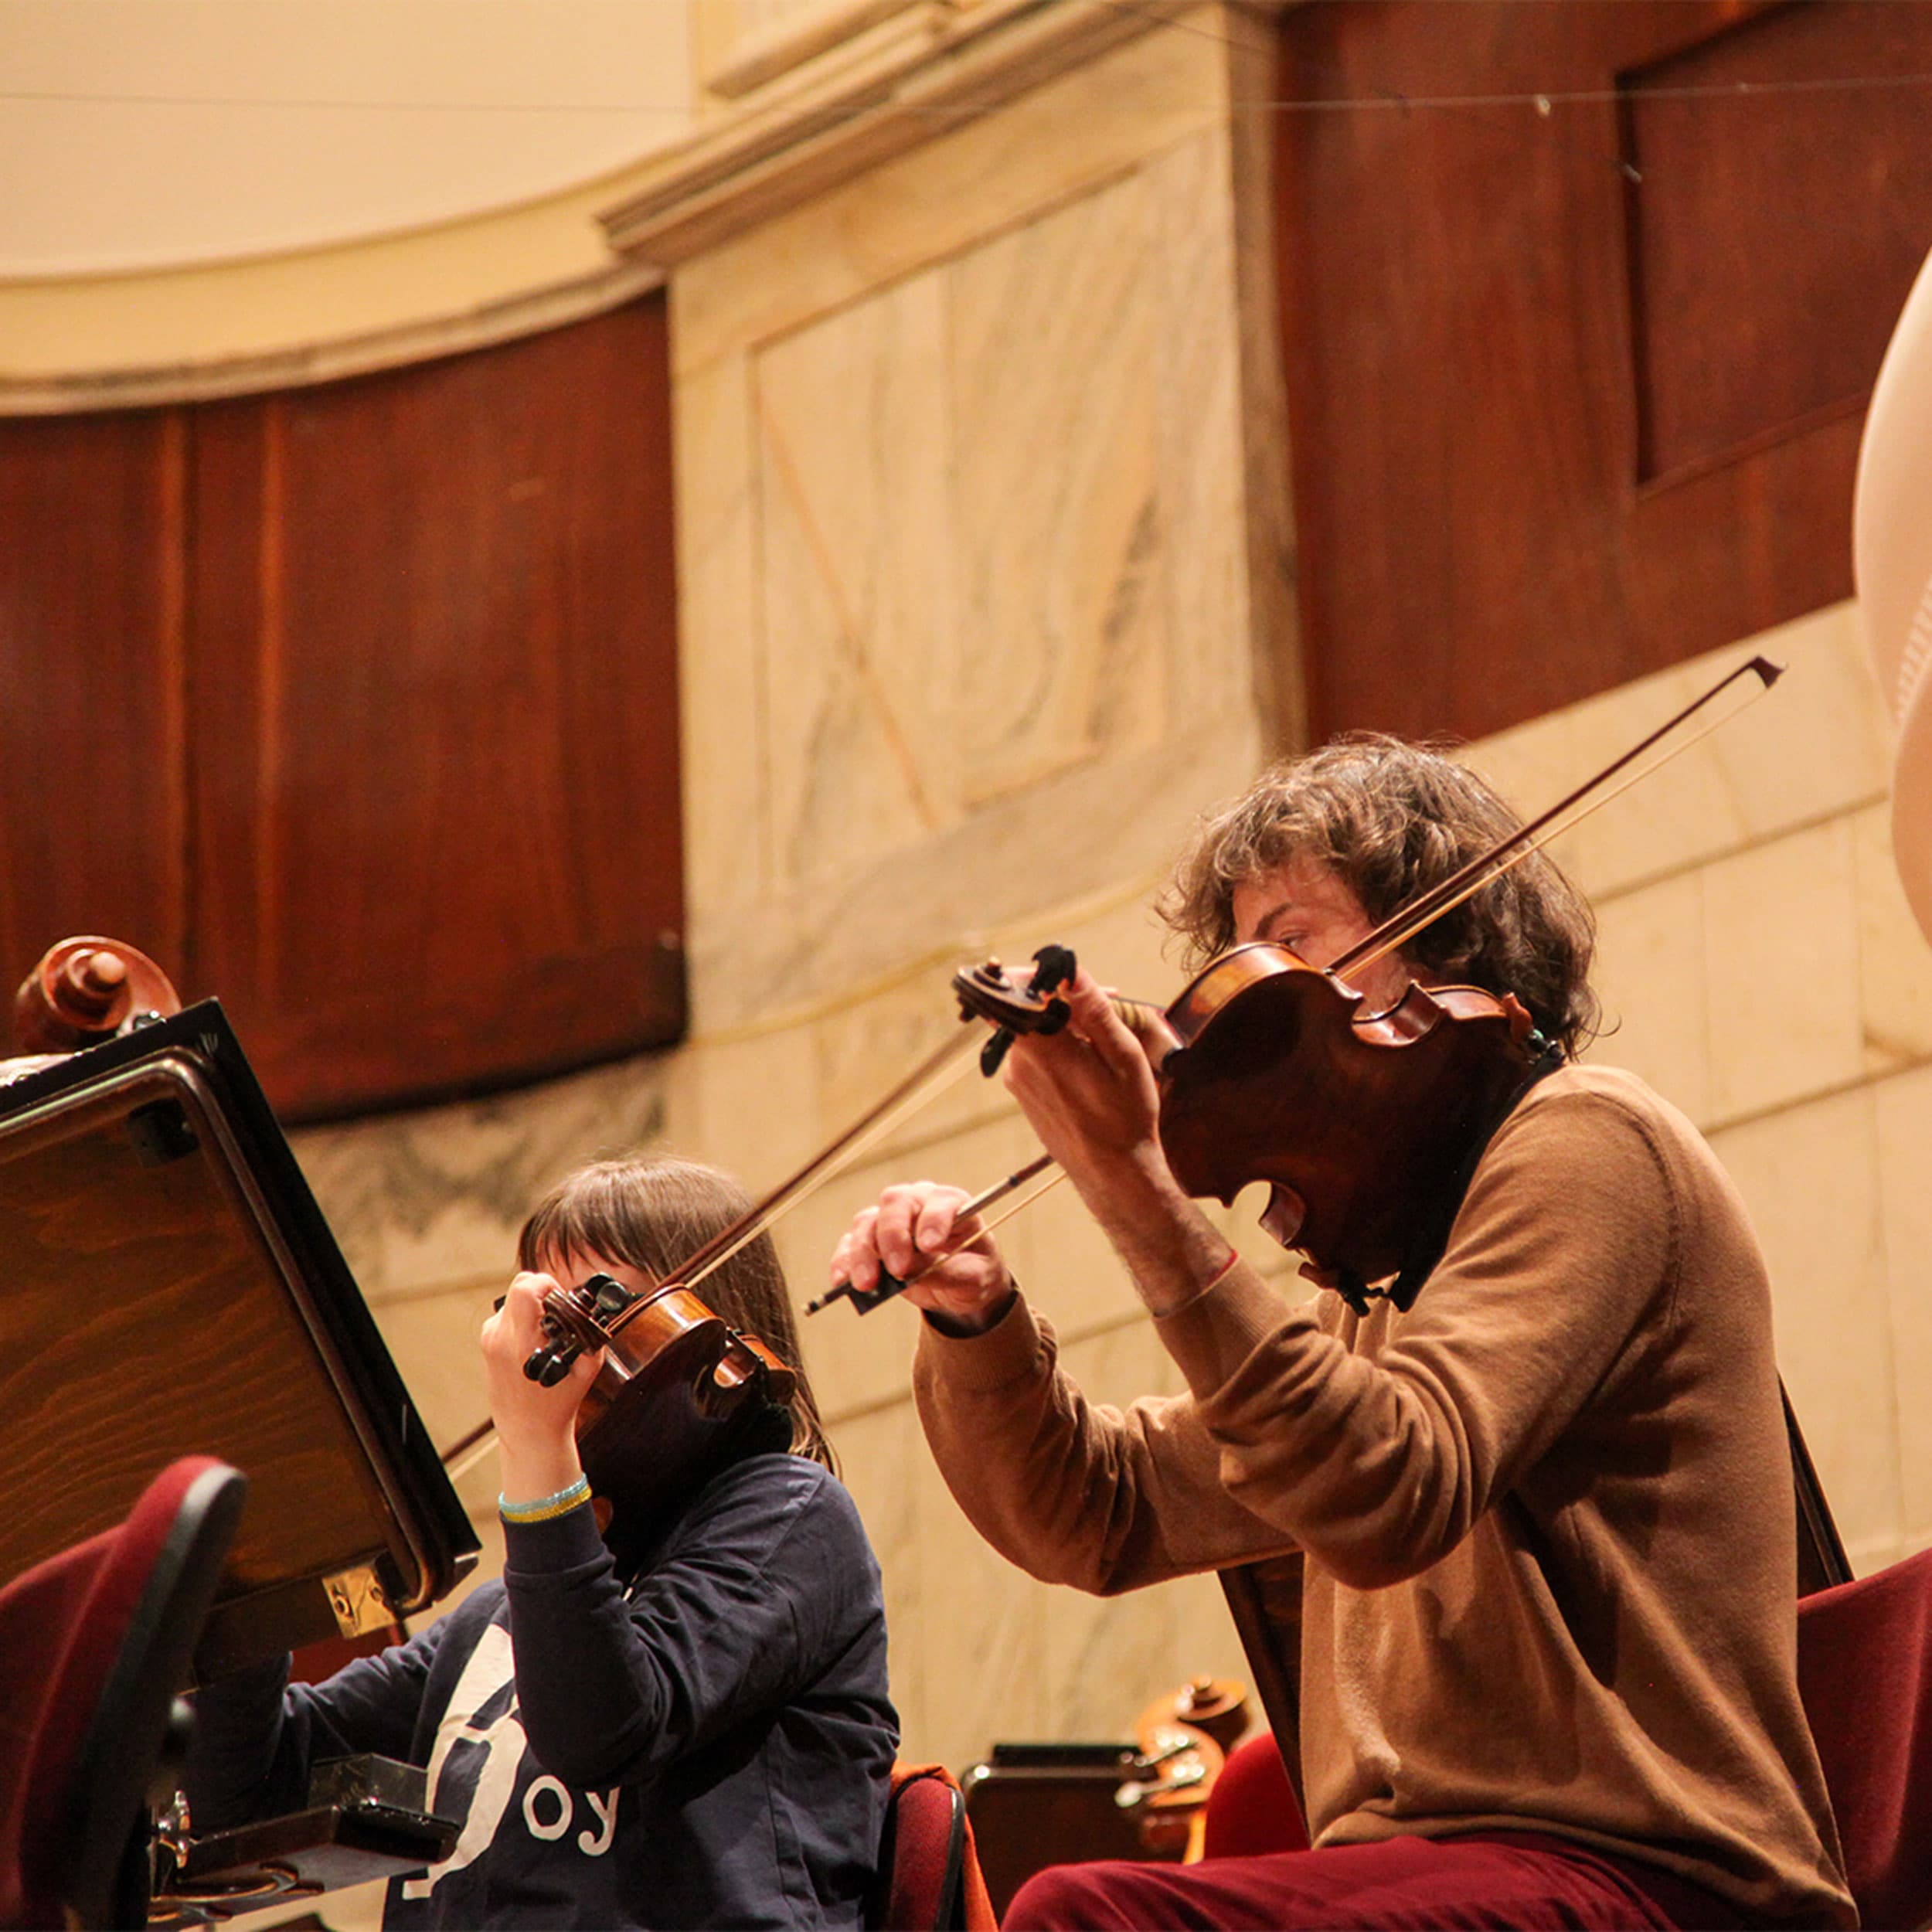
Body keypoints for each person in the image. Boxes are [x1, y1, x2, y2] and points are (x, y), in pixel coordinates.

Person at [832, 737, 1853, 1931]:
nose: (1250, 992)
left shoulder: (1591, 1139)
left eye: (1290, 937)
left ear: (1448, 933)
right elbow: (1096, 1510)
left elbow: (1394, 1483)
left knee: (1083, 1916)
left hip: (1660, 1873)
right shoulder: (1374, 1290)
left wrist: (1138, 1192)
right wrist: (978, 1320)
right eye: (1233, 955)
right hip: (1451, 1879)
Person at [185, 1155, 897, 1930]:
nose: (545, 1355)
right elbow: (245, 1795)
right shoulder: (499, 1615)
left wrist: (535, 1448)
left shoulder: (791, 1517)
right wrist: (255, 1549)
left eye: (590, 1311)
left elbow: (600, 1729)